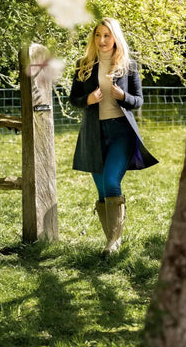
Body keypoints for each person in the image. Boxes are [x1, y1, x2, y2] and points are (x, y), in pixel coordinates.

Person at [70, 17, 158, 256]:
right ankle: (111, 241)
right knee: (101, 190)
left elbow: (138, 100)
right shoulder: (83, 64)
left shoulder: (129, 65)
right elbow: (74, 98)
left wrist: (122, 96)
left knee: (111, 181)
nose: (102, 40)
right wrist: (87, 100)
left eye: (107, 35)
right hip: (93, 133)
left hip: (121, 132)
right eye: (98, 35)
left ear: (115, 37)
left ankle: (113, 243)